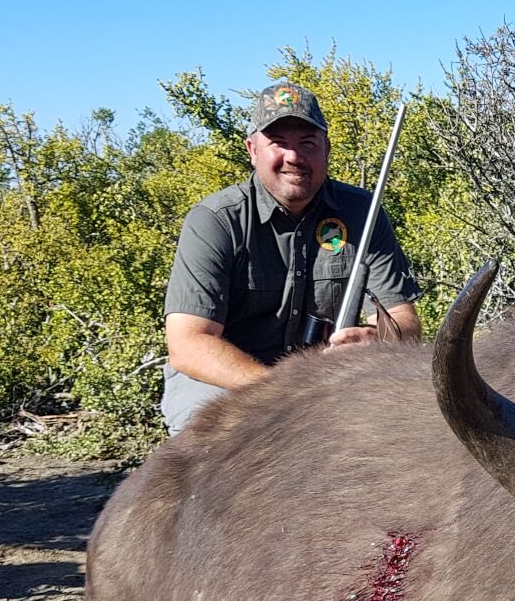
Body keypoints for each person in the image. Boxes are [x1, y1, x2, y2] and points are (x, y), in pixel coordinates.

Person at [160, 82, 423, 434]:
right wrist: (282, 392)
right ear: (252, 150)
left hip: (321, 381)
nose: (294, 157)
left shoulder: (363, 212)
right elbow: (188, 345)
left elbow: (404, 321)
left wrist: (378, 340)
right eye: (279, 143)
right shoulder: (216, 220)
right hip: (227, 382)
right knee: (217, 447)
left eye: (307, 143)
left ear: (326, 150)